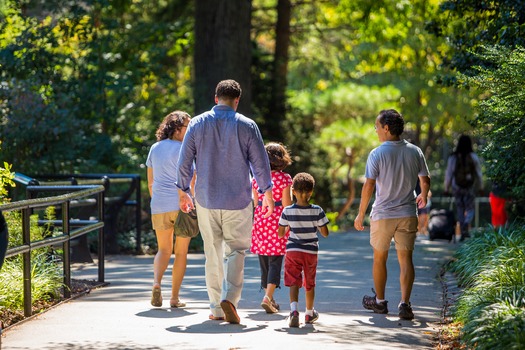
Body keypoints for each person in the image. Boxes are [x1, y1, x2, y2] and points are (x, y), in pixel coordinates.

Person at [175, 79, 274, 324]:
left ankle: (216, 308)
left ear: (215, 97)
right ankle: (230, 298)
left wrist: (183, 190)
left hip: (206, 198)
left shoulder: (197, 123)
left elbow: (184, 161)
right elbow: (260, 163)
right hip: (238, 200)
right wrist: (267, 193)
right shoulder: (247, 125)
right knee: (236, 250)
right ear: (237, 100)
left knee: (213, 252)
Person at [354, 109, 430, 321]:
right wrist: (423, 195)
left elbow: (368, 186)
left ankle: (379, 302)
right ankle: (405, 304)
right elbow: (425, 178)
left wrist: (360, 214)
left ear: (386, 128)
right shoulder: (415, 151)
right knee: (406, 259)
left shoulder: (377, 154)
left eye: (377, 126)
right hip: (407, 212)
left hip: (383, 214)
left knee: (380, 258)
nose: (376, 130)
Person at [146, 110, 194, 308]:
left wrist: (158, 200)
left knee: (163, 249)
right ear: (176, 129)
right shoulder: (186, 150)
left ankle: (157, 283)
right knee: (181, 253)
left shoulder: (155, 148)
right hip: (182, 205)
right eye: (187, 127)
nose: (190, 131)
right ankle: (174, 298)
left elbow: (150, 182)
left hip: (159, 204)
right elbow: (192, 180)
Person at [278, 172, 329, 327]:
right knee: (309, 282)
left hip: (293, 250)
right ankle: (309, 313)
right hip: (310, 252)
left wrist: (289, 226)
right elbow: (325, 233)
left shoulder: (287, 211)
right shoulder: (317, 210)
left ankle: (294, 311)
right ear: (311, 192)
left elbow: (281, 234)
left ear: (293, 191)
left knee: (293, 280)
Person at [251, 142, 293, 314]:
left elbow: (255, 203)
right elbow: (286, 204)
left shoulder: (256, 179)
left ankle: (270, 298)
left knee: (264, 261)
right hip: (278, 220)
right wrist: (290, 224)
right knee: (276, 261)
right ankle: (267, 297)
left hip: (261, 220)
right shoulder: (285, 179)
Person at [444, 134, 483, 241]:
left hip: (456, 187)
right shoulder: (473, 156)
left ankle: (462, 230)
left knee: (460, 208)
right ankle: (466, 223)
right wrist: (480, 187)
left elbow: (449, 174)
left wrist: (446, 189)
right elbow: (479, 173)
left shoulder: (453, 157)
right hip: (469, 187)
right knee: (470, 208)